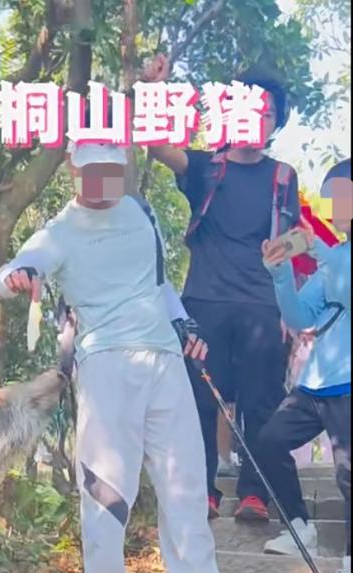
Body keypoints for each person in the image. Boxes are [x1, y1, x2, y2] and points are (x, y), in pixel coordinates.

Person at [0, 138, 230, 573]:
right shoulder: (61, 230)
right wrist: (19, 276)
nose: (102, 181)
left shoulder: (140, 212)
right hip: (104, 360)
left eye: (110, 169)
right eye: (91, 171)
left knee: (184, 474)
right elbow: (14, 270)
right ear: (75, 173)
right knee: (103, 479)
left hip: (163, 355)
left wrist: (185, 327)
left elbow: (159, 284)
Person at [143, 55, 302, 522]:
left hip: (261, 304)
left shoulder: (283, 177)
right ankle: (203, 489)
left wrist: (289, 314)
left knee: (261, 400)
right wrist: (156, 89)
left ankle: (255, 492)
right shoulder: (206, 167)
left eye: (268, 111)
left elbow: (287, 248)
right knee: (198, 398)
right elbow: (157, 147)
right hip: (204, 303)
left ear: (276, 122)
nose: (258, 117)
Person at [259, 158, 351, 573]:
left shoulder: (334, 259)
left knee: (348, 474)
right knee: (269, 441)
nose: (332, 204)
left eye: (340, 194)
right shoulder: (332, 260)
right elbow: (300, 316)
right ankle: (298, 525)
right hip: (316, 383)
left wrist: (323, 254)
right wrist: (280, 275)